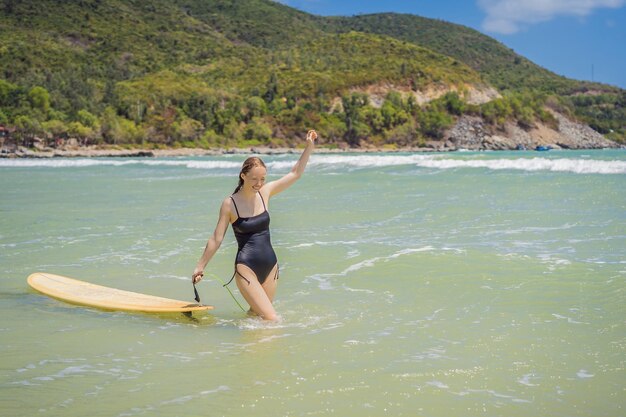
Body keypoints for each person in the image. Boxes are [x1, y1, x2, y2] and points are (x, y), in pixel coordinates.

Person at [192, 130, 317, 321]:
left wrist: (309, 146)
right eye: (254, 179)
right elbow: (217, 238)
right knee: (271, 318)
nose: (259, 183)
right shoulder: (230, 203)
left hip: (271, 265)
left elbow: (295, 173)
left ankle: (248, 348)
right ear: (243, 176)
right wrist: (200, 266)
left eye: (262, 179)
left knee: (256, 316)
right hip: (246, 267)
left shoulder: (264, 193)